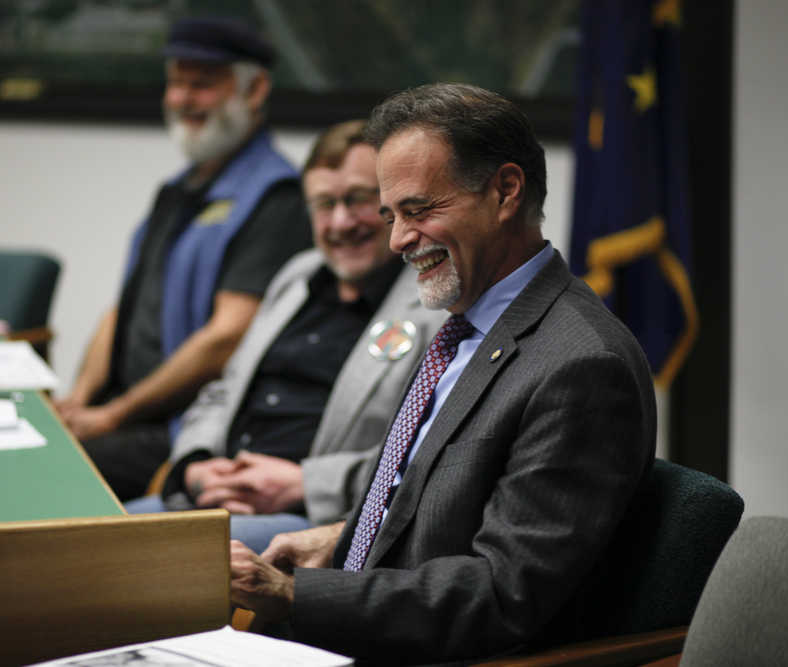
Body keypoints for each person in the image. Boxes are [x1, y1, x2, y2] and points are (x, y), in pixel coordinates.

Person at [229, 83, 657, 665]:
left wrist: (293, 595)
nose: (399, 239)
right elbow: (429, 500)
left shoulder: (582, 366)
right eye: (391, 215)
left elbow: (502, 595)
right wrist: (340, 538)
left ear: (505, 191)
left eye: (419, 210)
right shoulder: (461, 328)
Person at [126, 120, 447, 554]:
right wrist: (197, 465)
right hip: (214, 498)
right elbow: (222, 392)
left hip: (314, 520)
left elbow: (431, 454)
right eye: (323, 204)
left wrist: (303, 484)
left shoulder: (433, 304)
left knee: (126, 558)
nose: (340, 222)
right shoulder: (296, 277)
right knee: (79, 538)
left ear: (391, 203)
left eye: (357, 200)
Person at [54, 17, 311, 501]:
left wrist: (112, 415)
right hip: (122, 414)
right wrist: (81, 399)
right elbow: (122, 310)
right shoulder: (176, 191)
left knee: (48, 475)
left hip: (184, 431)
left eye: (201, 84)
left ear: (254, 89)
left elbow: (227, 336)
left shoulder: (277, 198)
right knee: (41, 443)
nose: (182, 99)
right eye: (175, 82)